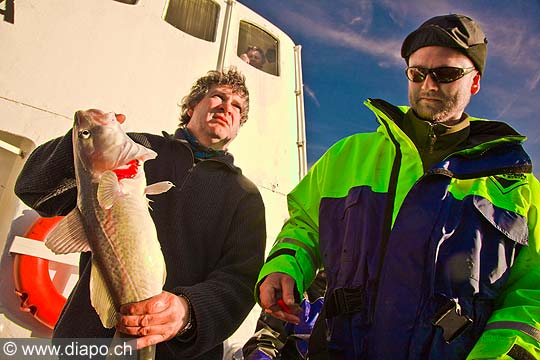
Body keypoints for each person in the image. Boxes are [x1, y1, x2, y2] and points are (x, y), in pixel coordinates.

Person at [256, 14, 540, 360]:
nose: (428, 85)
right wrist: (285, 266)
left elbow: (532, 293)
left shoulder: (515, 182)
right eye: (417, 73)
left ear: (475, 81)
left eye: (446, 74)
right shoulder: (349, 154)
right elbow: (304, 226)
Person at [14, 67, 267, 359]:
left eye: (237, 107)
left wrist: (187, 312)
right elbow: (33, 188)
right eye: (217, 97)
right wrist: (86, 137)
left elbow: (240, 281)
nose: (226, 108)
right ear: (190, 107)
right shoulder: (134, 149)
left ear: (238, 127)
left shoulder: (245, 196)